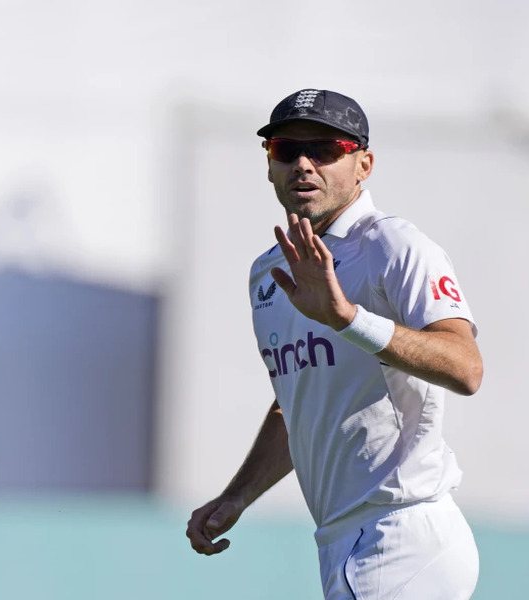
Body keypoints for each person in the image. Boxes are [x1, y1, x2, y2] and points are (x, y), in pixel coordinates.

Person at [185, 89, 484, 600]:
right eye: (286, 150)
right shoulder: (268, 272)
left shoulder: (393, 245)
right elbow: (299, 403)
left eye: (325, 149)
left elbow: (465, 368)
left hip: (403, 530)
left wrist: (348, 318)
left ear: (363, 164)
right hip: (343, 538)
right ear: (270, 166)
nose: (304, 164)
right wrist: (238, 496)